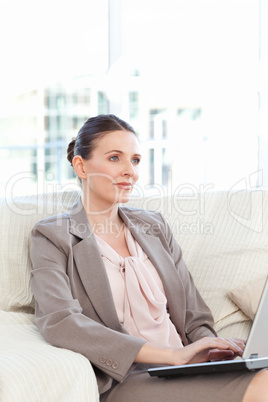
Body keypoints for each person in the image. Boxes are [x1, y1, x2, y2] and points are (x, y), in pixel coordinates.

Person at [30, 114, 268, 402]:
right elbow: (60, 322)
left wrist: (210, 347)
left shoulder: (154, 226)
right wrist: (171, 355)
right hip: (128, 378)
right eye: (115, 158)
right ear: (81, 166)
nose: (130, 171)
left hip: (188, 367)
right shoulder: (53, 235)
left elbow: (193, 313)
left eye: (136, 160)